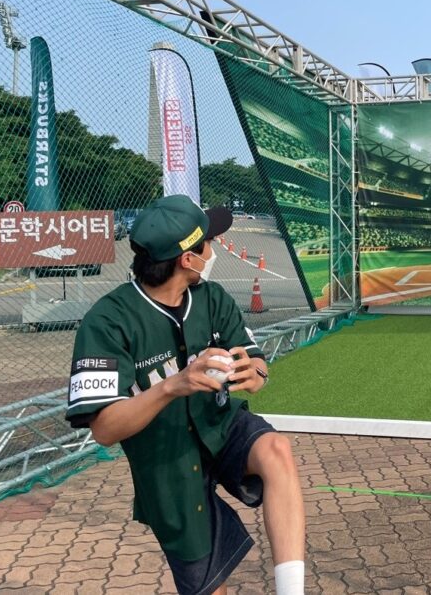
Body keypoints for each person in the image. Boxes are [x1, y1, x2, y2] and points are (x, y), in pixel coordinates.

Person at [65, 195, 305, 595]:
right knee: (212, 587)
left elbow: (256, 362)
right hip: (166, 459)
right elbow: (104, 429)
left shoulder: (212, 298)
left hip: (219, 423)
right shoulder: (107, 321)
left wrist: (256, 372)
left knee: (275, 449)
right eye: (208, 242)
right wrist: (171, 386)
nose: (213, 250)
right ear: (188, 259)